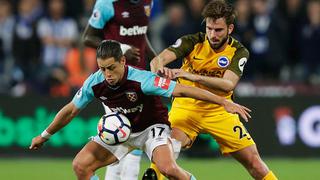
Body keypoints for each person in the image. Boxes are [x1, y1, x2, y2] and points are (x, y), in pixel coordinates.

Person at [29, 40, 251, 180]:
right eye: (102, 68)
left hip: (151, 128)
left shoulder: (143, 80)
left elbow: (184, 91)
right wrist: (44, 135)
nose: (107, 74)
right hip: (121, 130)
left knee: (168, 169)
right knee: (80, 166)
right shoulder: (94, 82)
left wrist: (223, 102)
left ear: (123, 61)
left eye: (111, 68)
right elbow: (70, 110)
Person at [150, 0, 278, 179]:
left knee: (255, 164)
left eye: (218, 30)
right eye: (209, 28)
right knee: (162, 156)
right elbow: (157, 61)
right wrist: (158, 72)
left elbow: (228, 84)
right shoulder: (192, 41)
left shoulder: (239, 52)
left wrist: (191, 76)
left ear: (230, 29)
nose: (212, 34)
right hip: (186, 107)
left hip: (219, 109)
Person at [82, 0, 156, 178]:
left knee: (122, 144)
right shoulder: (107, 4)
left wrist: (156, 59)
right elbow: (88, 38)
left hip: (139, 79)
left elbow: (141, 34)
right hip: (113, 82)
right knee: (126, 139)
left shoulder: (148, 2)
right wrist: (121, 50)